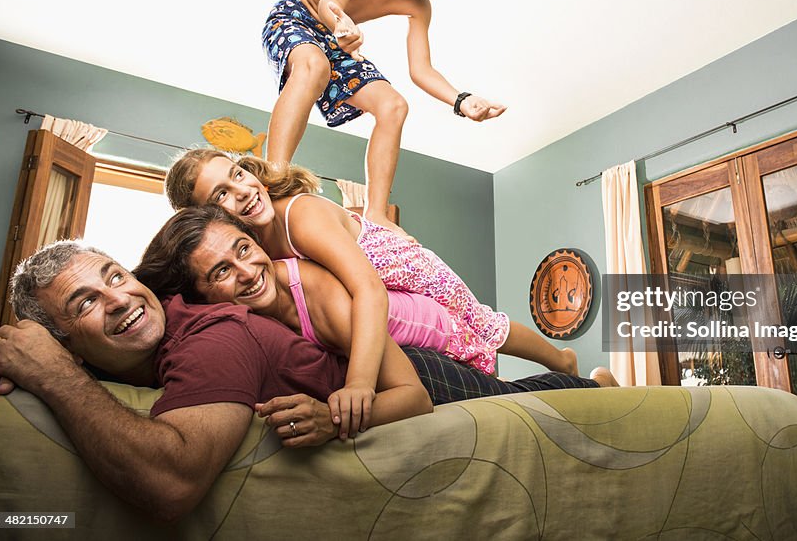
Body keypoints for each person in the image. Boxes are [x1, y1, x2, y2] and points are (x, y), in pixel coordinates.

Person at [0, 242, 610, 522]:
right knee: (525, 395)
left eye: (116, 275)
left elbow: (170, 481)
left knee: (534, 404)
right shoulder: (126, 350)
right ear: (65, 342)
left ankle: (601, 386)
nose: (120, 297)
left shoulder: (214, 334)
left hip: (416, 375)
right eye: (85, 302)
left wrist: (52, 375)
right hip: (380, 374)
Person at [135, 205, 601, 436]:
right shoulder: (236, 322)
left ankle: (596, 385)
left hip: (425, 336)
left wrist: (335, 414)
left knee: (507, 397)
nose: (245, 272)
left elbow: (413, 398)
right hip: (400, 342)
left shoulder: (317, 296)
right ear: (202, 296)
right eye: (220, 272)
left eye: (243, 249)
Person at [165, 148, 579, 381]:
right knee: (446, 336)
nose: (242, 191)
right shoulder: (250, 248)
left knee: (483, 325)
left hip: (410, 270)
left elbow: (366, 288)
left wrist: (360, 383)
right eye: (221, 194)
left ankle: (561, 363)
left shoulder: (299, 217)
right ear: (208, 218)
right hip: (381, 283)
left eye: (237, 174)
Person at [263, 0, 505, 240]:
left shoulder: (419, 7)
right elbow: (328, 3)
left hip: (336, 38)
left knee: (394, 106)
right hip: (296, 17)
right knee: (314, 64)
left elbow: (421, 69)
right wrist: (341, 22)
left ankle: (376, 213)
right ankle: (275, 176)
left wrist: (462, 101)